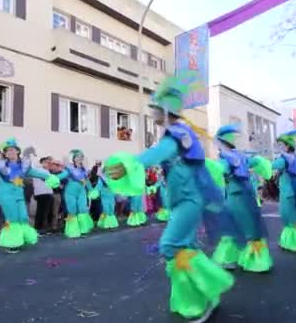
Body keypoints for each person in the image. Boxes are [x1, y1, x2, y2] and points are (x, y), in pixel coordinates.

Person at [105, 76, 234, 321]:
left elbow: (159, 153)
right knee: (186, 246)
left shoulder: (175, 134)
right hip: (184, 198)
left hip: (188, 199)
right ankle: (197, 296)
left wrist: (130, 164)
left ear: (165, 111)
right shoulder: (180, 133)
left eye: (155, 107)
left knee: (171, 246)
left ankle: (203, 296)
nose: (151, 111)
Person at [0, 138, 60, 253]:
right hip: (6, 196)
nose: (10, 152)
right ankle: (11, 243)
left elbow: (36, 173)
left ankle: (21, 238)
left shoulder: (24, 166)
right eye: (8, 150)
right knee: (13, 218)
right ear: (5, 153)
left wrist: (48, 177)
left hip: (19, 195)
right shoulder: (0, 166)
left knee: (23, 217)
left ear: (18, 151)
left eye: (12, 150)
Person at [211, 124, 273, 272]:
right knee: (250, 226)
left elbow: (218, 171)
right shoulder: (242, 156)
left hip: (235, 197)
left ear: (220, 143)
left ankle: (231, 258)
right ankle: (253, 259)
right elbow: (258, 162)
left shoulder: (225, 159)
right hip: (248, 195)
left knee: (233, 227)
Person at [57, 150, 94, 238]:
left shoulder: (84, 169)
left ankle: (83, 229)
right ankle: (72, 231)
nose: (80, 158)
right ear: (73, 159)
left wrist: (91, 190)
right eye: (78, 157)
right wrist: (52, 178)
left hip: (81, 191)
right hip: (70, 192)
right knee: (72, 210)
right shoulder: (69, 169)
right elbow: (62, 176)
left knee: (82, 209)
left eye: (81, 157)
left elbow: (87, 181)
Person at [33, 156, 55, 235]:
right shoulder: (38, 170)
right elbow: (45, 179)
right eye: (46, 162)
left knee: (46, 212)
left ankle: (43, 229)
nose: (48, 163)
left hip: (48, 193)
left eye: (48, 162)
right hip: (41, 193)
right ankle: (38, 229)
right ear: (41, 163)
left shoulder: (48, 171)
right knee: (41, 212)